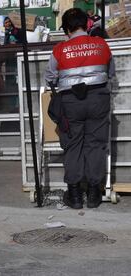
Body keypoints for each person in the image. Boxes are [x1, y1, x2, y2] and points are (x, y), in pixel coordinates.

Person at [45, 8, 115, 209]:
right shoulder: (101, 44)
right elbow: (111, 72)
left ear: (67, 28)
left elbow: (50, 77)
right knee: (95, 144)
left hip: (70, 102)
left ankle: (75, 196)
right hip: (98, 99)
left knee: (73, 145)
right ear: (87, 25)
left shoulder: (60, 49)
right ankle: (94, 194)